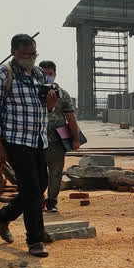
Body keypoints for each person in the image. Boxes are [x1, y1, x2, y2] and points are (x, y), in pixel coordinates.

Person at [0, 34, 58, 257]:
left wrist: (50, 105)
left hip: (37, 138)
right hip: (16, 139)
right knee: (31, 189)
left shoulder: (37, 74)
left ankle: (3, 216)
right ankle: (35, 240)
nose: (30, 58)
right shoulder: (2, 74)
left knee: (40, 184)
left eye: (33, 54)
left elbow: (40, 107)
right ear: (14, 52)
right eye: (26, 54)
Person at [39, 60, 79, 213]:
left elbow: (70, 117)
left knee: (55, 172)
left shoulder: (62, 94)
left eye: (50, 74)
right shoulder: (32, 92)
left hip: (56, 141)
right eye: (44, 74)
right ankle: (39, 200)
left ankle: (52, 201)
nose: (48, 77)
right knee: (37, 172)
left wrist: (75, 139)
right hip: (36, 140)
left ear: (55, 75)